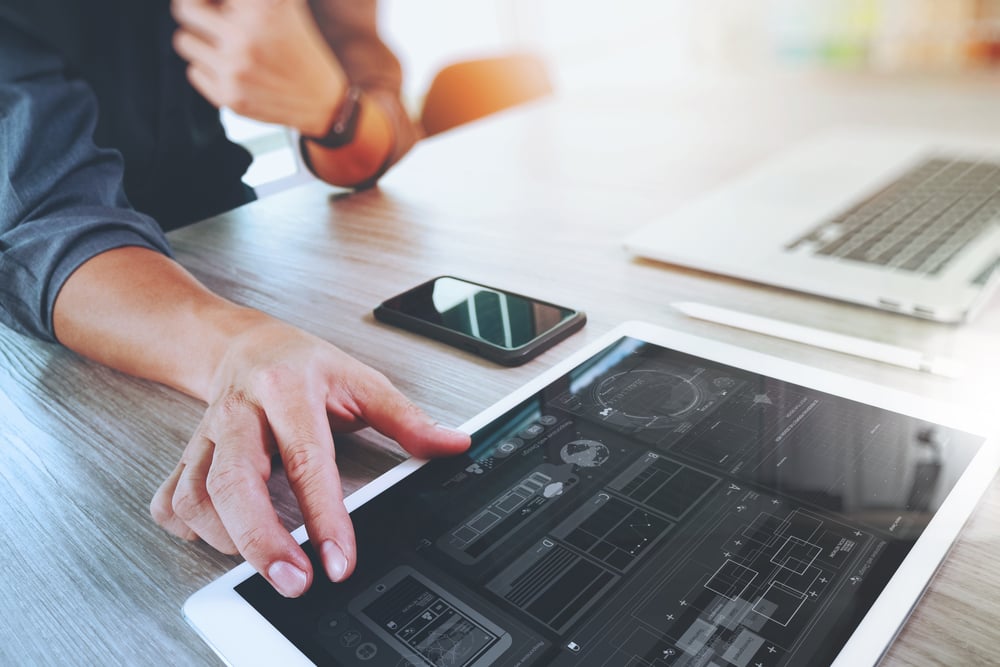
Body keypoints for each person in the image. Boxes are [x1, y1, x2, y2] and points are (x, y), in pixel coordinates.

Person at [0, 0, 471, 598]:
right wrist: (242, 348)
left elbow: (378, 131)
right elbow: (42, 226)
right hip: (98, 324)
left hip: (239, 241)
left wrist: (335, 109)